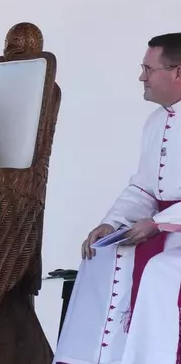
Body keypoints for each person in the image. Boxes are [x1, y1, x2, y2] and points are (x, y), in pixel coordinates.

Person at [53, 33, 181, 364]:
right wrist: (111, 223)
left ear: (177, 72)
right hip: (161, 227)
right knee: (100, 259)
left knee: (159, 272)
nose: (142, 77)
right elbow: (143, 188)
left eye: (148, 69)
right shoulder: (156, 121)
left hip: (174, 232)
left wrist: (159, 223)